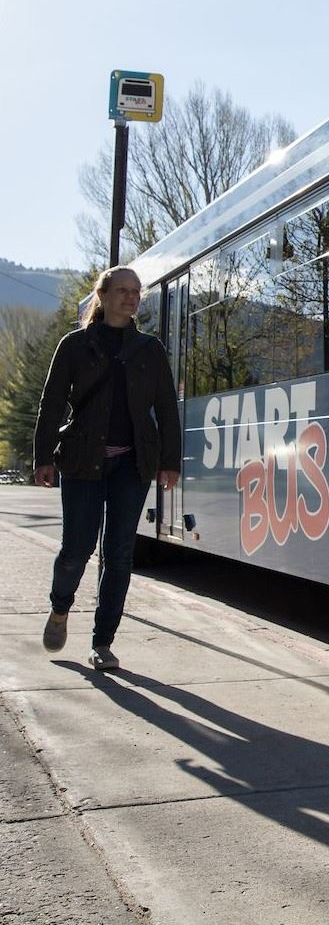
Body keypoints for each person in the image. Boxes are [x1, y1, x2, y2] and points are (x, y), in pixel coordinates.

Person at [34, 267, 182, 671]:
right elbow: (50, 405)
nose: (131, 298)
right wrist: (43, 457)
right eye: (123, 291)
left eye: (136, 292)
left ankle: (102, 642)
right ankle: (60, 608)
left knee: (118, 555)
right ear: (103, 295)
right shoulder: (74, 345)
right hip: (82, 461)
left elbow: (166, 408)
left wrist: (170, 461)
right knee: (76, 550)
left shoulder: (149, 349)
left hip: (132, 465)